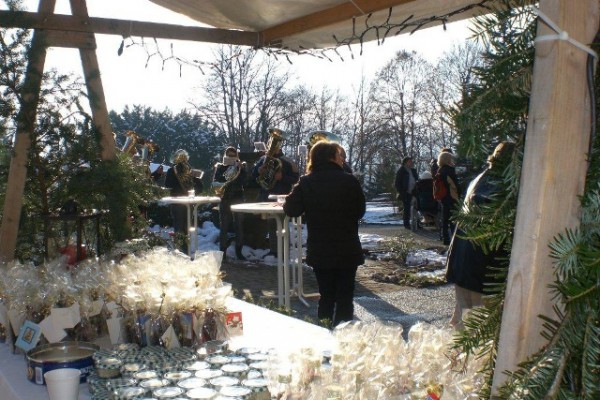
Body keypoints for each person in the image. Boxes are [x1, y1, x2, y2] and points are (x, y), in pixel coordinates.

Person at [284, 141, 366, 327]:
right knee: (345, 297)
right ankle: (344, 336)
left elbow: (291, 209)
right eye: (339, 155)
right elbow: (360, 211)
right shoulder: (349, 180)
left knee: (326, 296)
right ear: (331, 157)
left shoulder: (306, 182)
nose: (341, 158)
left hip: (321, 248)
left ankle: (324, 333)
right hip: (347, 247)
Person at [445, 142, 515, 328]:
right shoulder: (501, 184)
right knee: (476, 328)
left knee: (465, 323)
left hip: (466, 264)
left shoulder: (482, 178)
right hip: (481, 270)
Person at [252, 148, 299, 256]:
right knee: (271, 224)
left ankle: (283, 250)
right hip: (267, 195)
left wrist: (283, 177)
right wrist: (258, 170)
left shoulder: (287, 161)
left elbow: (296, 179)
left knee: (282, 224)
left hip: (281, 197)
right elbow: (254, 175)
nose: (272, 147)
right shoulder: (263, 160)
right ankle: (274, 250)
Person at [212, 147, 247, 260]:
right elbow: (216, 182)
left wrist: (241, 170)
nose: (231, 158)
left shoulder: (240, 167)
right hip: (225, 198)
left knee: (239, 225)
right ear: (225, 156)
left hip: (237, 197)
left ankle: (239, 251)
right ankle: (222, 252)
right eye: (229, 156)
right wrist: (226, 171)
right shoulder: (220, 167)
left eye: (233, 156)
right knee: (224, 226)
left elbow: (244, 182)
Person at [164, 149, 194, 252]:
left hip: (177, 201)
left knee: (179, 227)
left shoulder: (172, 170)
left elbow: (167, 185)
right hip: (186, 201)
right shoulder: (189, 169)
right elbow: (196, 187)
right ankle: (184, 249)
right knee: (185, 227)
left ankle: (181, 250)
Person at [394, 156, 418, 229]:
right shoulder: (401, 171)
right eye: (410, 161)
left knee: (416, 208)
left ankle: (417, 223)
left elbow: (416, 179)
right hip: (406, 193)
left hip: (414, 192)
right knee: (407, 209)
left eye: (412, 161)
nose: (411, 163)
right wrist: (402, 192)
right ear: (405, 162)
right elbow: (397, 183)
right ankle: (406, 224)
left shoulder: (413, 170)